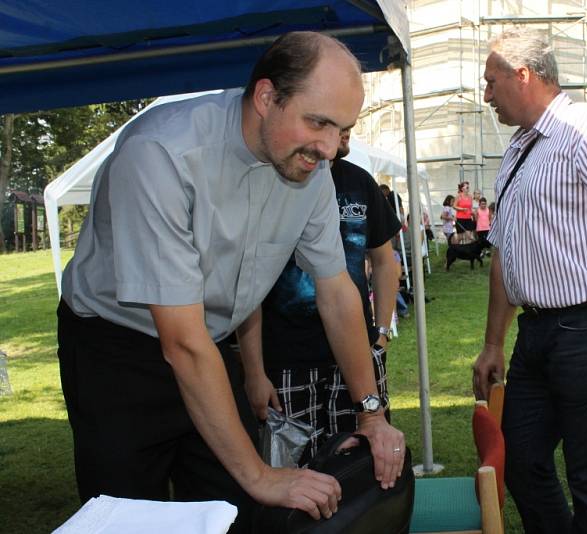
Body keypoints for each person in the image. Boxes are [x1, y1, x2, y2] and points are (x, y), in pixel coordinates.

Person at [57, 31, 404, 533]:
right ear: (266, 97)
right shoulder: (161, 153)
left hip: (209, 344)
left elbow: (338, 292)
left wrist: (371, 411)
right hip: (116, 353)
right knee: (129, 512)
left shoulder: (312, 167)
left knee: (236, 513)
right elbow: (182, 342)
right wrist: (263, 475)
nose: (330, 148)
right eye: (318, 123)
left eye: (342, 128)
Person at [471, 26, 587, 534]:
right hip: (536, 334)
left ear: (523, 75)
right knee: (522, 458)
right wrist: (493, 343)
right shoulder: (519, 149)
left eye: (491, 81)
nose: (485, 94)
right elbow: (502, 256)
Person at [253, 128, 400, 458]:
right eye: (335, 122)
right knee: (294, 468)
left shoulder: (360, 182)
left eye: (349, 123)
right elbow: (249, 280)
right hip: (286, 360)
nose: (345, 130)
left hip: (356, 355)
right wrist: (255, 370)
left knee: (360, 460)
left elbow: (386, 263)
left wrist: (380, 334)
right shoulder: (273, 181)